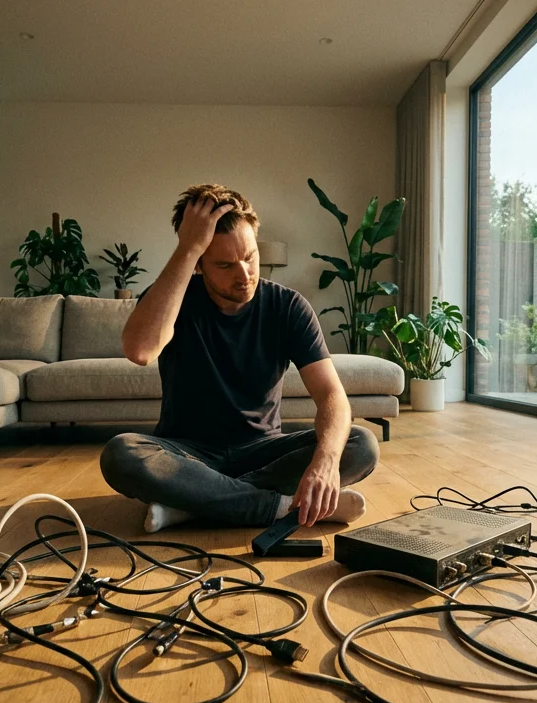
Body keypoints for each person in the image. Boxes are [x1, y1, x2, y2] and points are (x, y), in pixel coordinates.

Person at [99, 183, 379, 533]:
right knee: (120, 454)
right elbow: (140, 351)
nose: (244, 275)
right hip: (186, 454)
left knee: (359, 444)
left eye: (249, 257)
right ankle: (277, 506)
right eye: (225, 265)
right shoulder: (173, 297)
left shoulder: (287, 306)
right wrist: (187, 247)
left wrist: (324, 463)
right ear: (199, 263)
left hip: (264, 450)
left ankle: (191, 503)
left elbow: (332, 396)